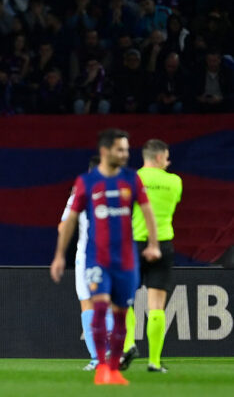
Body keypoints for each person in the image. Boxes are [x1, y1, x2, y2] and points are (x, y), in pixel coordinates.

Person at [50, 129, 161, 385]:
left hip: (125, 257)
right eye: (120, 150)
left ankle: (112, 367)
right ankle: (100, 364)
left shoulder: (132, 180)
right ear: (105, 152)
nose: (125, 154)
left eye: (126, 149)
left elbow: (148, 212)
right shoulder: (86, 184)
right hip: (94, 257)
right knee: (98, 306)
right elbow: (66, 223)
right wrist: (58, 256)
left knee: (120, 312)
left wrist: (153, 244)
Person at [120, 139, 182, 373]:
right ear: (158, 158)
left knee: (124, 300)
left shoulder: (131, 179)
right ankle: (154, 362)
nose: (168, 162)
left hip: (134, 244)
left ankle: (129, 345)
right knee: (156, 306)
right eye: (166, 157)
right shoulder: (175, 181)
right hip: (163, 245)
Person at [59, 156, 114, 371]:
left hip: (87, 255)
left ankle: (96, 357)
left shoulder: (80, 191)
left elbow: (63, 227)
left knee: (87, 303)